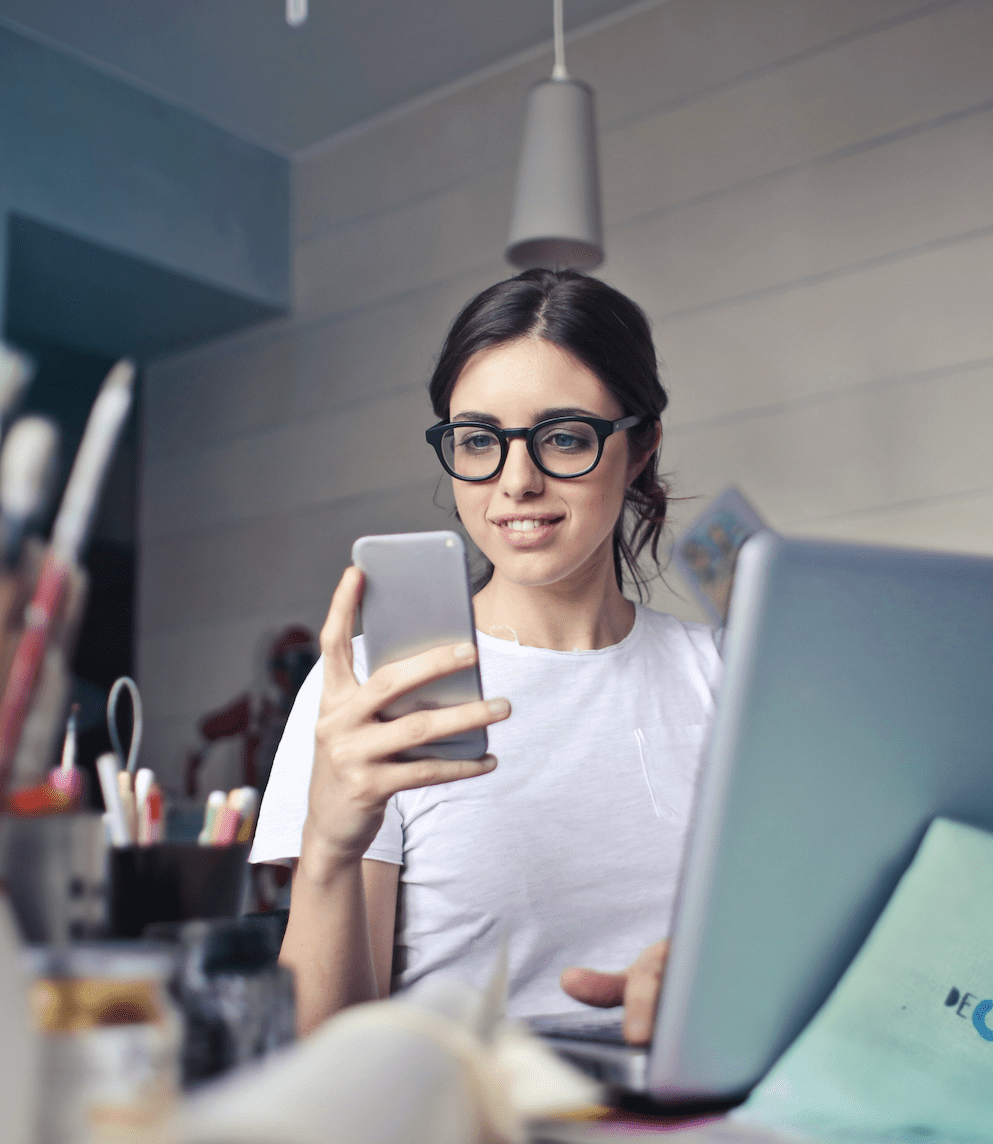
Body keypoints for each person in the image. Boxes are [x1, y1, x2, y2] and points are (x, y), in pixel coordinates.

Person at [252, 269, 722, 1042]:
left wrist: (717, 981)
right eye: (478, 441)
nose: (516, 481)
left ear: (640, 448)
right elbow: (326, 1058)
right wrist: (331, 846)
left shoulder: (726, 679)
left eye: (564, 437)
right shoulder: (377, 690)